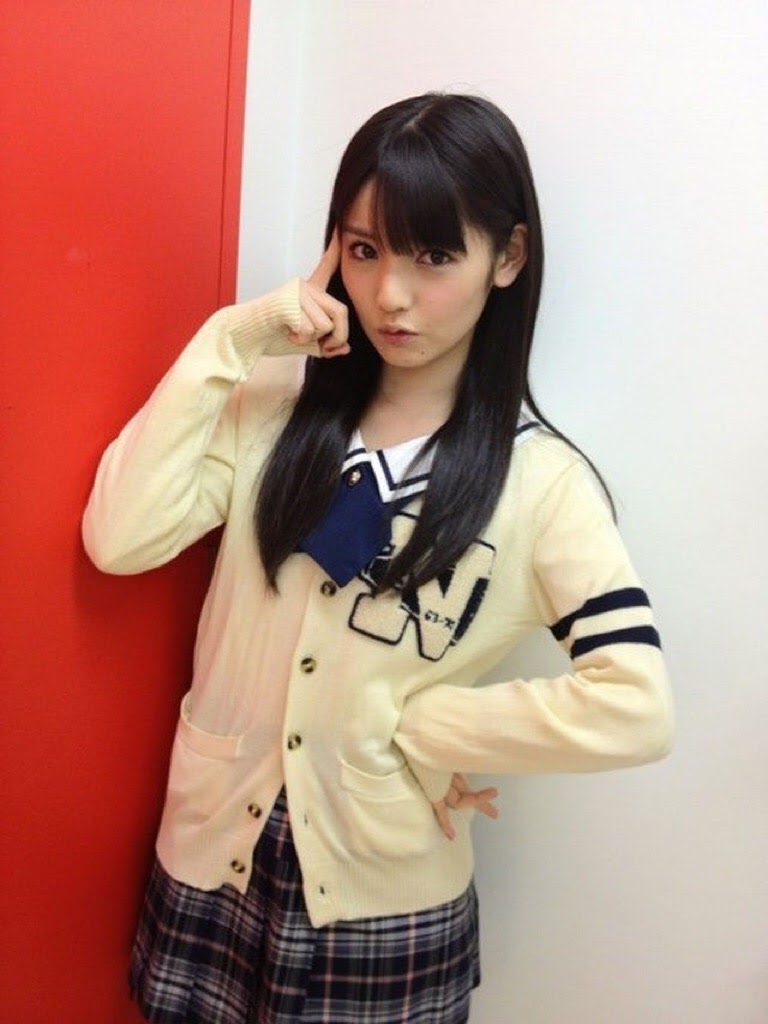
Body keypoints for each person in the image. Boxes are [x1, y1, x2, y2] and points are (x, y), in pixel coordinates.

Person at [82, 92, 673, 1024]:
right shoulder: (271, 411)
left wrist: (433, 728)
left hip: (383, 903)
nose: (390, 294)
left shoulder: (542, 484)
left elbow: (635, 705)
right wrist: (233, 338)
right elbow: (119, 540)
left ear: (508, 257)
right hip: (211, 852)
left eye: (433, 255)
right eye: (364, 250)